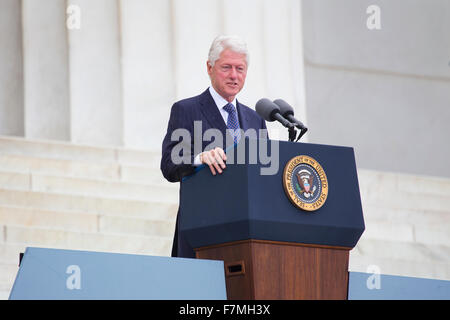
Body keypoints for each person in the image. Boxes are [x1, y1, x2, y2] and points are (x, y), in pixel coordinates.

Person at [161, 35, 267, 258]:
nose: (234, 76)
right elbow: (170, 165)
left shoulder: (255, 120)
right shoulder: (186, 110)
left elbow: (264, 175)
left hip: (248, 234)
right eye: (226, 67)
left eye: (240, 68)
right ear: (209, 68)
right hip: (203, 230)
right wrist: (200, 159)